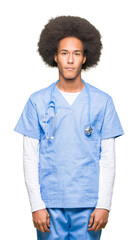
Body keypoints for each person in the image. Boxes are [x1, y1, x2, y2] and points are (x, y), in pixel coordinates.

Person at [14, 16, 124, 240]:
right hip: (49, 204)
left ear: (85, 58)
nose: (70, 60)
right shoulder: (37, 102)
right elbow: (30, 158)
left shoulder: (103, 102)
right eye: (64, 53)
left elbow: (108, 160)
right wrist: (36, 205)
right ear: (55, 57)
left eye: (76, 54)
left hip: (89, 205)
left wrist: (104, 205)